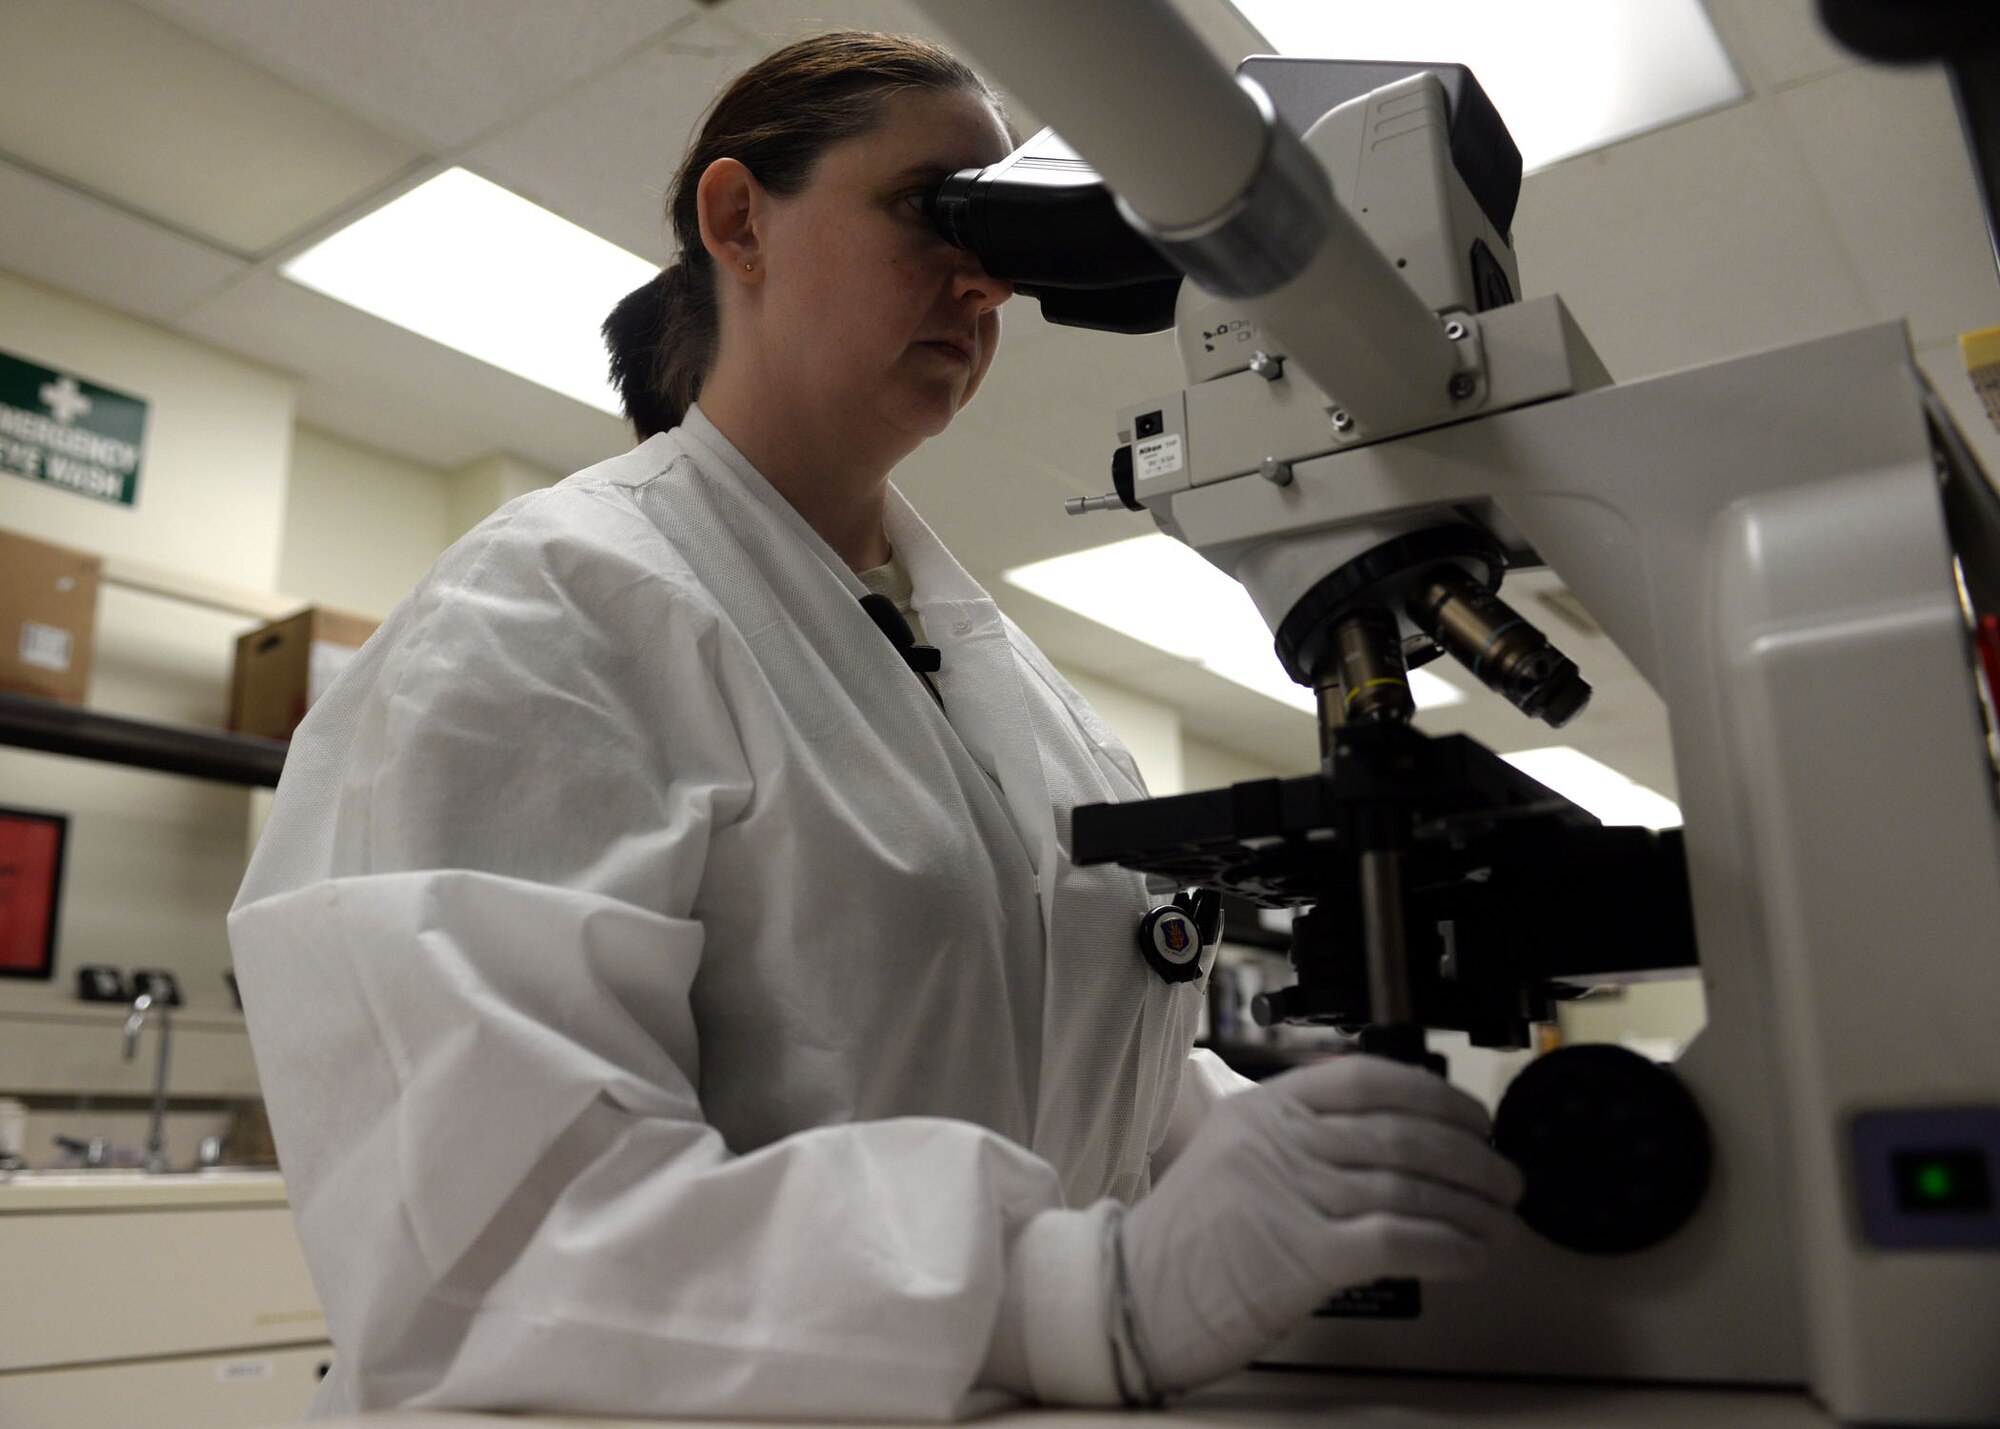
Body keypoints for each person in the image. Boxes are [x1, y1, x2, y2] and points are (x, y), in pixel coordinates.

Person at [228, 30, 1522, 1421]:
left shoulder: (1026, 698)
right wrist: (1073, 1293)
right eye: (933, 208)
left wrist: (1301, 1164)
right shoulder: (548, 610)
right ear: (741, 222)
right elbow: (497, 1242)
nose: (986, 280)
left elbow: (1095, 1086)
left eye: (999, 234)